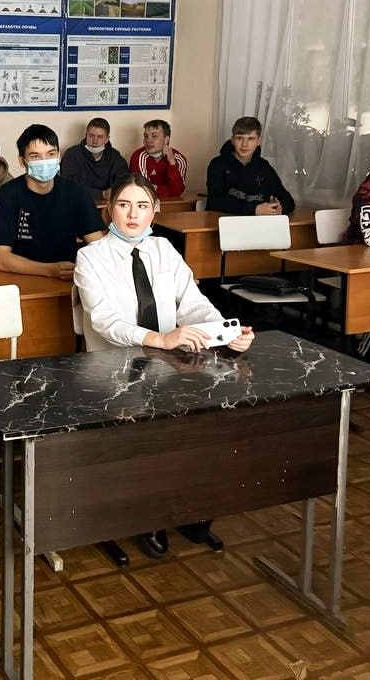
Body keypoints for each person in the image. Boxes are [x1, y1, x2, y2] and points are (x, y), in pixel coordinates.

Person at [75, 173, 254, 560]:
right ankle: (147, 516)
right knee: (146, 432)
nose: (132, 215)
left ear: (155, 210)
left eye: (142, 206)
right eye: (124, 205)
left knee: (210, 420)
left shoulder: (164, 249)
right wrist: (159, 338)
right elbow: (105, 321)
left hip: (170, 365)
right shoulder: (90, 257)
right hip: (114, 368)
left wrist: (225, 331)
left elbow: (193, 302)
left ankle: (190, 510)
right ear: (109, 209)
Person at [0, 124, 105, 279]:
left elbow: (98, 247)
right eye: (35, 156)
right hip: (20, 278)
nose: (45, 161)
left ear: (58, 155)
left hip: (67, 279)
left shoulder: (76, 192)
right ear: (22, 161)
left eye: (51, 154)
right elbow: (0, 259)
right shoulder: (8, 194)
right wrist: (50, 270)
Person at [205, 117, 295, 216]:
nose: (244, 144)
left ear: (259, 141)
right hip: (223, 222)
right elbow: (215, 201)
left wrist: (279, 208)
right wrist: (254, 210)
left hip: (258, 223)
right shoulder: (217, 164)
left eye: (251, 139)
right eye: (240, 138)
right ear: (232, 140)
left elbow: (288, 201)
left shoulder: (264, 167)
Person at [60, 117, 129, 203]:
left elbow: (123, 183)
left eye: (100, 137)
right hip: (78, 203)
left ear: (107, 139)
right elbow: (69, 186)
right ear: (86, 135)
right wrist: (102, 194)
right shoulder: (72, 155)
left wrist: (114, 192)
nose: (95, 141)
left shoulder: (115, 157)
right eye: (91, 136)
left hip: (108, 206)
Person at [129, 119, 188, 199]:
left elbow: (178, 191)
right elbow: (143, 190)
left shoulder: (179, 159)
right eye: (146, 136)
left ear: (166, 140)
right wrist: (169, 191)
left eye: (154, 136)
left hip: (171, 203)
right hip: (145, 202)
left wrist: (172, 163)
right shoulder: (138, 156)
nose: (148, 140)